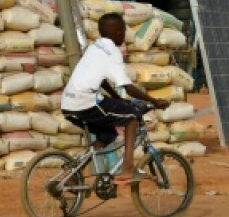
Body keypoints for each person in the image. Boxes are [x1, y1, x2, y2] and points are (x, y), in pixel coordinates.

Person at [61, 12, 169, 183]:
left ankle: (75, 173)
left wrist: (116, 98)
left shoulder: (94, 46)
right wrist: (154, 101)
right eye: (124, 31)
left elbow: (102, 79)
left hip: (68, 104)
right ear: (119, 32)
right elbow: (128, 87)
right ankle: (127, 168)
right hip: (86, 102)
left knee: (108, 134)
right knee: (132, 117)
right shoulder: (113, 53)